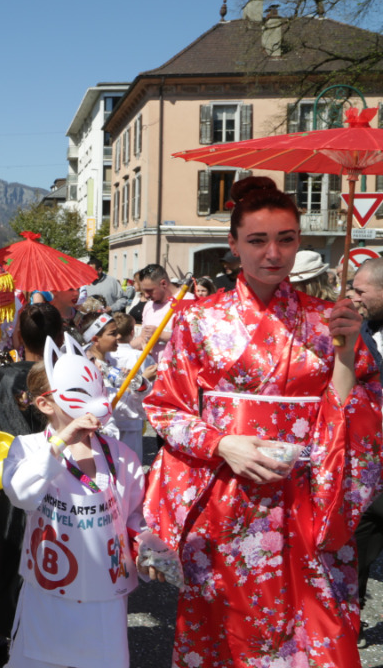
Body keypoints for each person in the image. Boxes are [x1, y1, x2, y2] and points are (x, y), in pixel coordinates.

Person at [141, 176, 380, 667]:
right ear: (233, 245)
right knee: (224, 631)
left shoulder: (327, 320)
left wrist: (345, 353)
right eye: (257, 240)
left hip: (307, 499)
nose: (274, 253)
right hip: (225, 496)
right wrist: (222, 444)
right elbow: (165, 407)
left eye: (286, 239)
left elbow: (359, 414)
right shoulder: (198, 320)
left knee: (317, 629)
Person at [3, 343, 144, 668]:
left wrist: (149, 546)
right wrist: (61, 441)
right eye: (79, 392)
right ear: (44, 403)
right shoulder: (28, 448)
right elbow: (20, 493)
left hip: (105, 599)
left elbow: (136, 515)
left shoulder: (121, 455)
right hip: (48, 596)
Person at [0, 303, 63, 668]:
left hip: (12, 482)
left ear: (18, 336)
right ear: (59, 337)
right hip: (58, 481)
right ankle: (49, 640)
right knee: (58, 562)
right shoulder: (65, 377)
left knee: (8, 559)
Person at [351, 258, 383, 629]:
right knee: (357, 547)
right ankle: (352, 621)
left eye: (361, 291)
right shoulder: (358, 330)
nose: (353, 297)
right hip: (366, 457)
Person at [76, 311, 153, 461]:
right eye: (112, 333)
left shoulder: (108, 362)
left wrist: (137, 384)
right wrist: (137, 383)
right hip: (111, 435)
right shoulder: (89, 368)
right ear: (95, 339)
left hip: (125, 429)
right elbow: (113, 405)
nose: (118, 337)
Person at [129, 263, 187, 363]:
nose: (146, 296)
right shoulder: (149, 305)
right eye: (144, 291)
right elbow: (143, 338)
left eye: (150, 291)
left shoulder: (187, 301)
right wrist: (119, 348)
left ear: (163, 284)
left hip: (179, 370)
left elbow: (194, 339)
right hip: (154, 370)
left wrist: (161, 335)